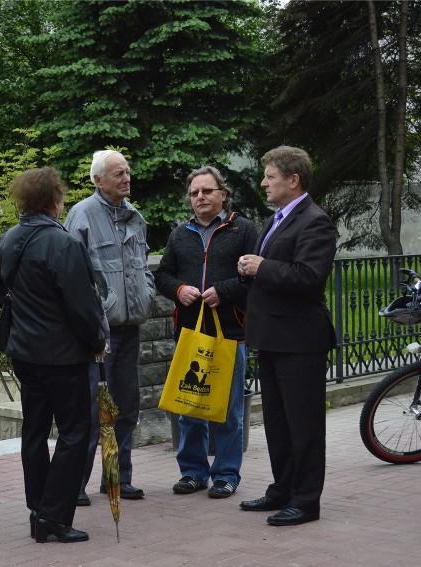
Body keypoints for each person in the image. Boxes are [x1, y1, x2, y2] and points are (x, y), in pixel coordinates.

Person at [0, 167, 107, 543]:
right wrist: (96, 342)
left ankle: (38, 509)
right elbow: (82, 306)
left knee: (35, 431)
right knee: (75, 433)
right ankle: (54, 516)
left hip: (24, 353)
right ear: (55, 201)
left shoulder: (8, 239)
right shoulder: (63, 244)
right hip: (64, 357)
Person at [237, 146, 336, 526]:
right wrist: (251, 269)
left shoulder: (315, 220)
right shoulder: (276, 218)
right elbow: (277, 269)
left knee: (304, 423)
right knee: (278, 422)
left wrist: (263, 266)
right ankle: (282, 489)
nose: (263, 182)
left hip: (300, 340)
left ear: (293, 180)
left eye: (270, 176)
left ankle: (307, 500)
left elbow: (309, 277)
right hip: (272, 336)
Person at [154, 165, 258, 500]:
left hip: (229, 333)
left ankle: (226, 475)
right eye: (195, 192)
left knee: (227, 411)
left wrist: (223, 291)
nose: (200, 197)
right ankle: (193, 473)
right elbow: (162, 275)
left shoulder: (243, 230)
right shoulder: (180, 234)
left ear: (222, 194)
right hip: (188, 333)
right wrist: (180, 289)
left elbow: (254, 279)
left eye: (207, 191)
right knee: (188, 407)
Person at [65, 150, 156, 506]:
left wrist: (146, 294)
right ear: (97, 180)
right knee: (92, 412)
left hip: (130, 327)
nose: (126, 178)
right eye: (118, 173)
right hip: (99, 334)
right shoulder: (81, 216)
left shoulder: (135, 217)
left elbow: (143, 266)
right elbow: (73, 277)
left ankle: (117, 478)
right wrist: (93, 321)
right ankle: (75, 485)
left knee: (127, 406)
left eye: (127, 172)